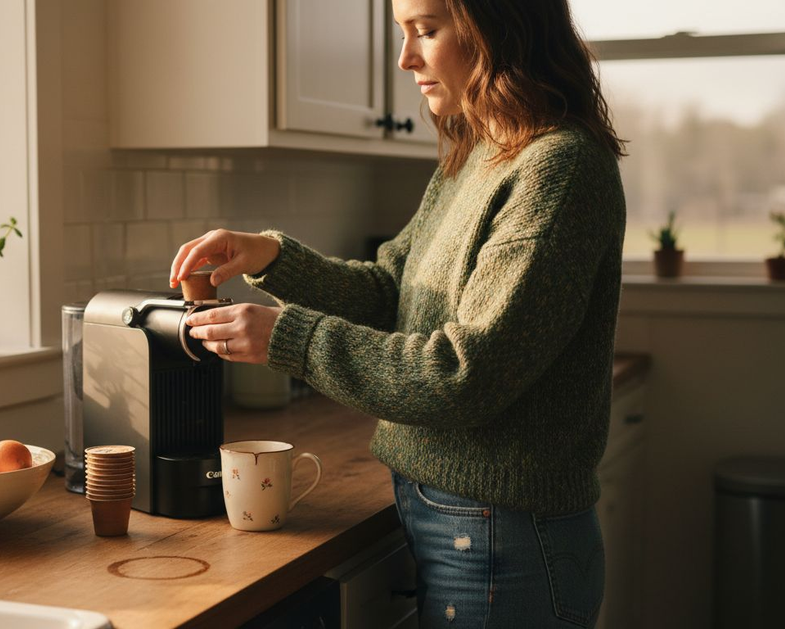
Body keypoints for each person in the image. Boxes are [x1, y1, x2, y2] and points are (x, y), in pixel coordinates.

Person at [169, 0, 625, 625]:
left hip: (507, 537)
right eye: (402, 34)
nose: (406, 58)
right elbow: (392, 292)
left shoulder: (560, 167)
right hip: (449, 517)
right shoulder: (477, 156)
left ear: (498, 26)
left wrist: (290, 340)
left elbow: (464, 372)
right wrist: (272, 257)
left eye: (426, 31)